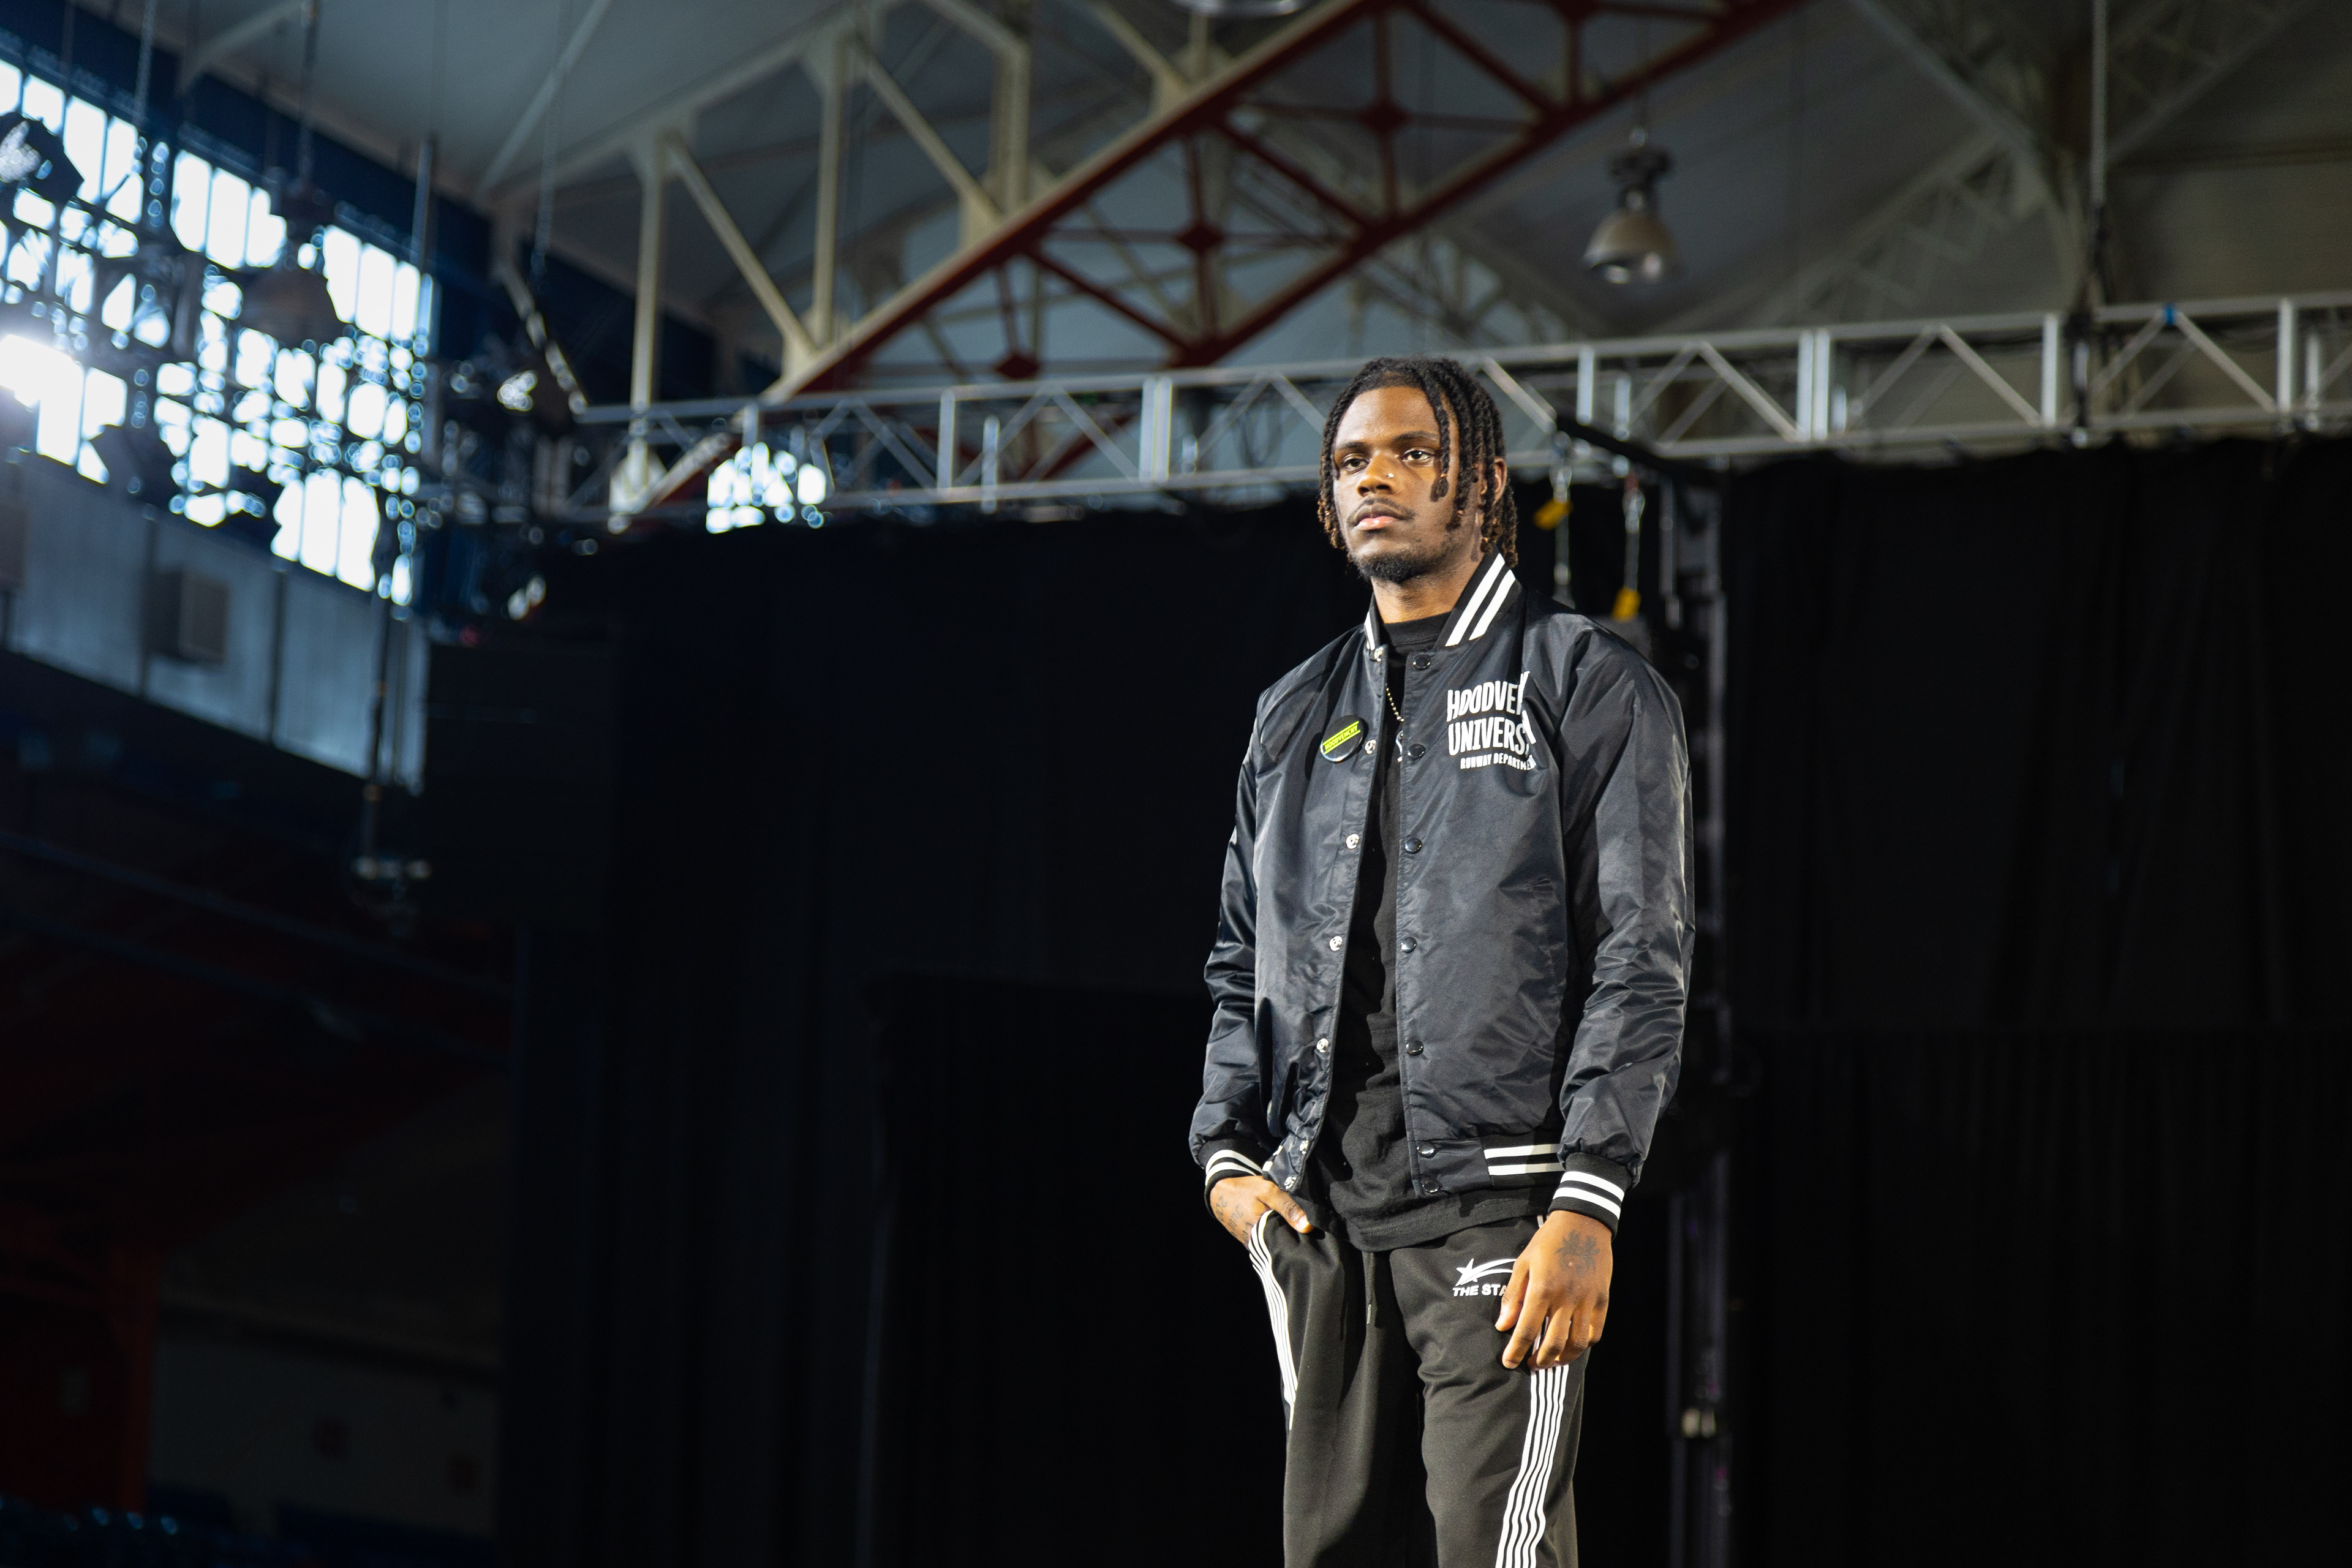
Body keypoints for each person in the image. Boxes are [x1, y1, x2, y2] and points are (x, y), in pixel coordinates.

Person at [1192, 355, 1693, 1567]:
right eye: (1352, 460)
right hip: (1319, 1213)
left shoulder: (1584, 680)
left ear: (1483, 481)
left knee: (1495, 1551)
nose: (1376, 479)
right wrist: (1225, 1157)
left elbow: (1641, 958)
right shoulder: (1293, 712)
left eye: (1413, 452)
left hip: (1502, 1210)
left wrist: (1589, 1200)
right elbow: (1242, 958)